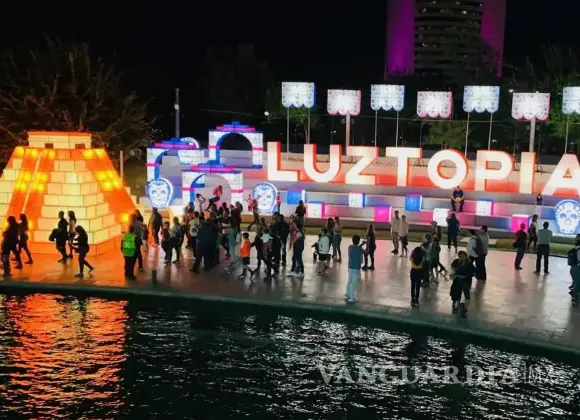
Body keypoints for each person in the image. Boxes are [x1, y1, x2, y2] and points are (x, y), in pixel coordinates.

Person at [450, 251, 475, 316]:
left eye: (464, 256)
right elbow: (452, 268)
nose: (462, 257)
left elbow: (473, 272)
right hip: (457, 281)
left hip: (465, 281)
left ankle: (464, 309)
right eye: (460, 256)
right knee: (457, 294)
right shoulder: (456, 262)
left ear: (466, 256)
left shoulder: (469, 264)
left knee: (467, 295)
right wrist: (454, 274)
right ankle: (458, 306)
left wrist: (465, 276)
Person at [346, 235, 364, 303]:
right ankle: (351, 297)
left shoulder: (350, 247)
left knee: (349, 281)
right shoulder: (359, 249)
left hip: (350, 266)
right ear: (358, 241)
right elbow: (366, 252)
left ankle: (348, 293)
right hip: (356, 268)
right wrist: (367, 244)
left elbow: (357, 247)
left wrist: (362, 244)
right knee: (354, 283)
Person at [569, 234, 580, 306]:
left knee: (576, 282)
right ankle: (574, 297)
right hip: (577, 268)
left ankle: (574, 292)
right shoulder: (578, 249)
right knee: (578, 282)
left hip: (573, 269)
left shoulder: (576, 247)